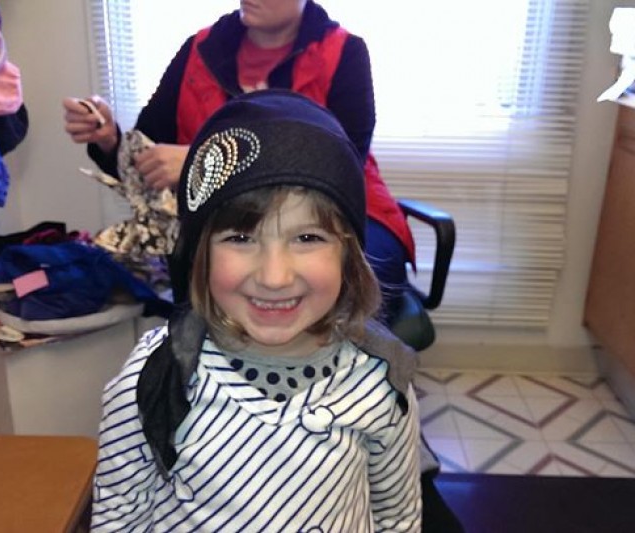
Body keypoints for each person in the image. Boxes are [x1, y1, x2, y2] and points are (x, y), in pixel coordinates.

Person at [91, 90, 422, 531]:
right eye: (241, 238)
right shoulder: (155, 376)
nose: (274, 277)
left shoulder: (380, 381)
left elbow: (398, 518)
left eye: (308, 238)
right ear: (200, 253)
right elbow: (118, 516)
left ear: (348, 256)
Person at [63, 0, 414, 324]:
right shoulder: (198, 50)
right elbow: (148, 160)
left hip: (342, 210)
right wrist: (109, 140)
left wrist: (206, 160)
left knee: (351, 279)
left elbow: (342, 163)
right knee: (204, 286)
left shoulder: (345, 51)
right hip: (227, 218)